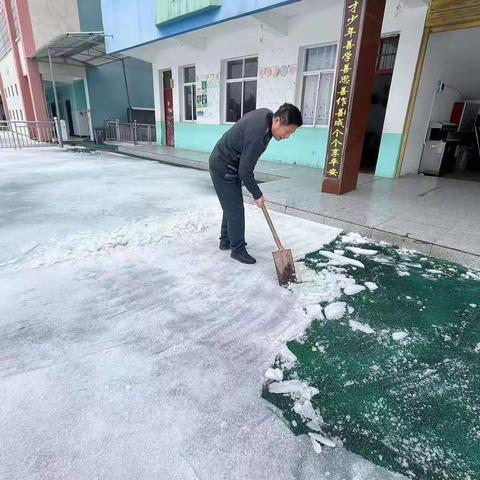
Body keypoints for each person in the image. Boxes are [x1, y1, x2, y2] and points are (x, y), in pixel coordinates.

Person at [209, 103, 303, 264]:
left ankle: (226, 241)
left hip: (230, 162)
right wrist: (257, 194)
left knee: (232, 205)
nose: (287, 136)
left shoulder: (267, 116)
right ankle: (237, 249)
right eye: (287, 132)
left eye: (290, 134)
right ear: (278, 120)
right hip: (224, 165)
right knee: (236, 209)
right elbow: (245, 171)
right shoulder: (258, 135)